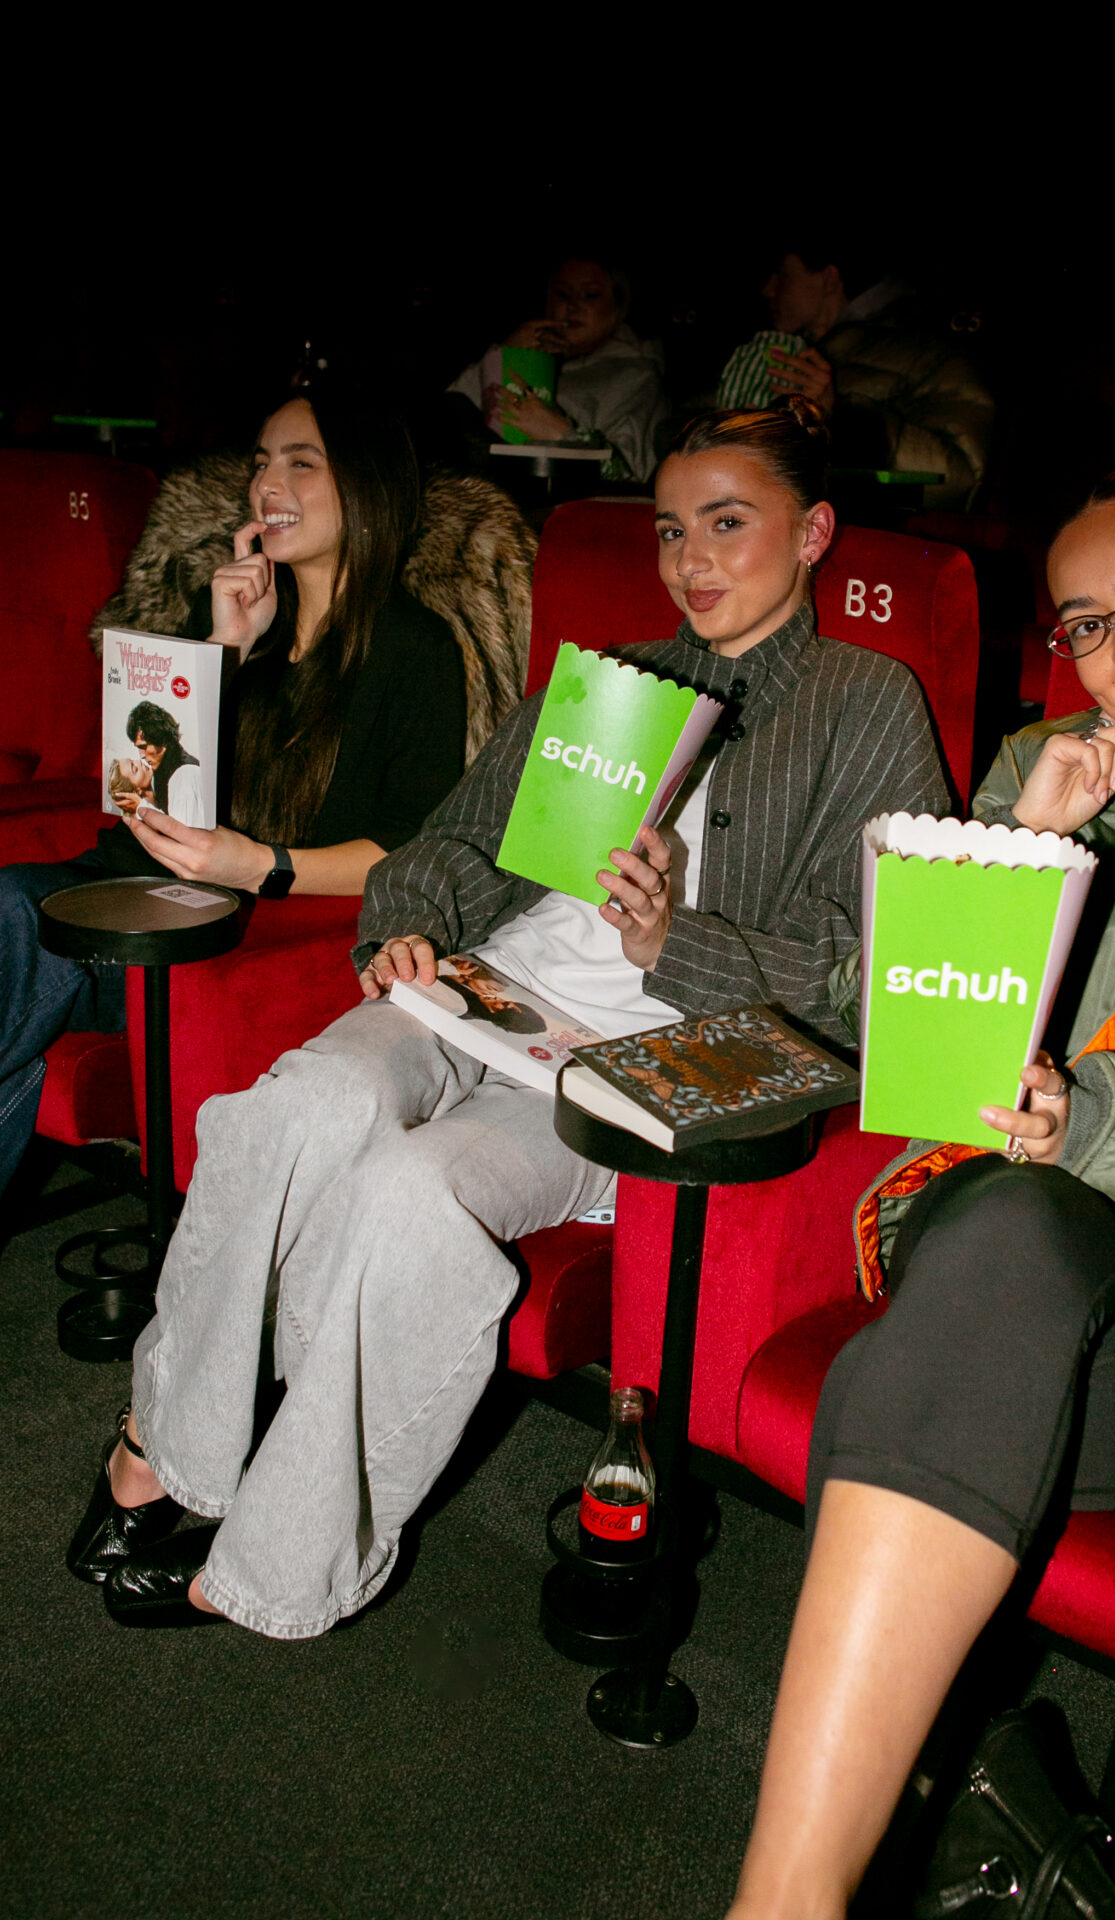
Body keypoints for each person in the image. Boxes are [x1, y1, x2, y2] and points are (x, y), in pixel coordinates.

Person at [69, 399, 950, 1638]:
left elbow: (870, 968)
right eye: (666, 530)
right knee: (291, 1109)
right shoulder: (621, 684)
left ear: (812, 533)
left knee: (411, 1195)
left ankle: (283, 1558)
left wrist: (673, 942)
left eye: (725, 524)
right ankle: (167, 1446)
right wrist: (407, 928)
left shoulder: (866, 707)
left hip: (626, 1065)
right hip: (481, 991)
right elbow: (457, 840)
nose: (688, 559)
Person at [728, 464, 1115, 1920]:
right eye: (1088, 624)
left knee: (894, 1399)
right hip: (1029, 1246)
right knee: (995, 1276)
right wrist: (1030, 845)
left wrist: (1088, 1112)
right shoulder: (1071, 774)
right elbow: (896, 1041)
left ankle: (908, 1827)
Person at [0, 389, 467, 1201]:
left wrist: (259, 865)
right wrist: (222, 647)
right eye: (260, 463)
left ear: (367, 487)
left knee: (10, 909)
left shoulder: (415, 649)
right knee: (13, 909)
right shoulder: (237, 615)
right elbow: (137, 791)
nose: (267, 485)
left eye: (300, 462)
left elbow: (406, 851)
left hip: (222, 922)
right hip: (126, 889)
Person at [723, 241, 994, 510]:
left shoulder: (933, 346)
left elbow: (961, 481)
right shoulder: (772, 353)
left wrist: (837, 415)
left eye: (782, 274)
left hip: (883, 538)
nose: (767, 289)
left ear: (828, 279)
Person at [448, 256, 669, 483]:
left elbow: (629, 476)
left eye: (590, 295)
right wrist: (504, 354)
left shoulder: (637, 374)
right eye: (562, 294)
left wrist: (562, 434)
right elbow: (450, 412)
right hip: (491, 491)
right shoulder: (531, 361)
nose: (573, 306)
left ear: (618, 305)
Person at [120, 702, 206, 825]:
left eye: (144, 746)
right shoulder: (159, 772)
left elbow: (183, 837)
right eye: (139, 748)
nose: (142, 755)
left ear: (162, 740)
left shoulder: (186, 775)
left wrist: (141, 808)